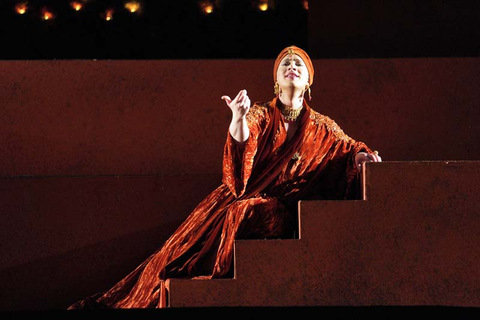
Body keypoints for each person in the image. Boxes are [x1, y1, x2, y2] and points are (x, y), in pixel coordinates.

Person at [67, 45, 381, 309]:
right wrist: (238, 117)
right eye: (285, 63)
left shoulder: (323, 126)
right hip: (240, 199)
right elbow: (244, 139)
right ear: (276, 79)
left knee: (252, 213)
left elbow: (348, 148)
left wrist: (362, 157)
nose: (292, 66)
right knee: (174, 257)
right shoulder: (260, 113)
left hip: (283, 212)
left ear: (309, 80)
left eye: (299, 63)